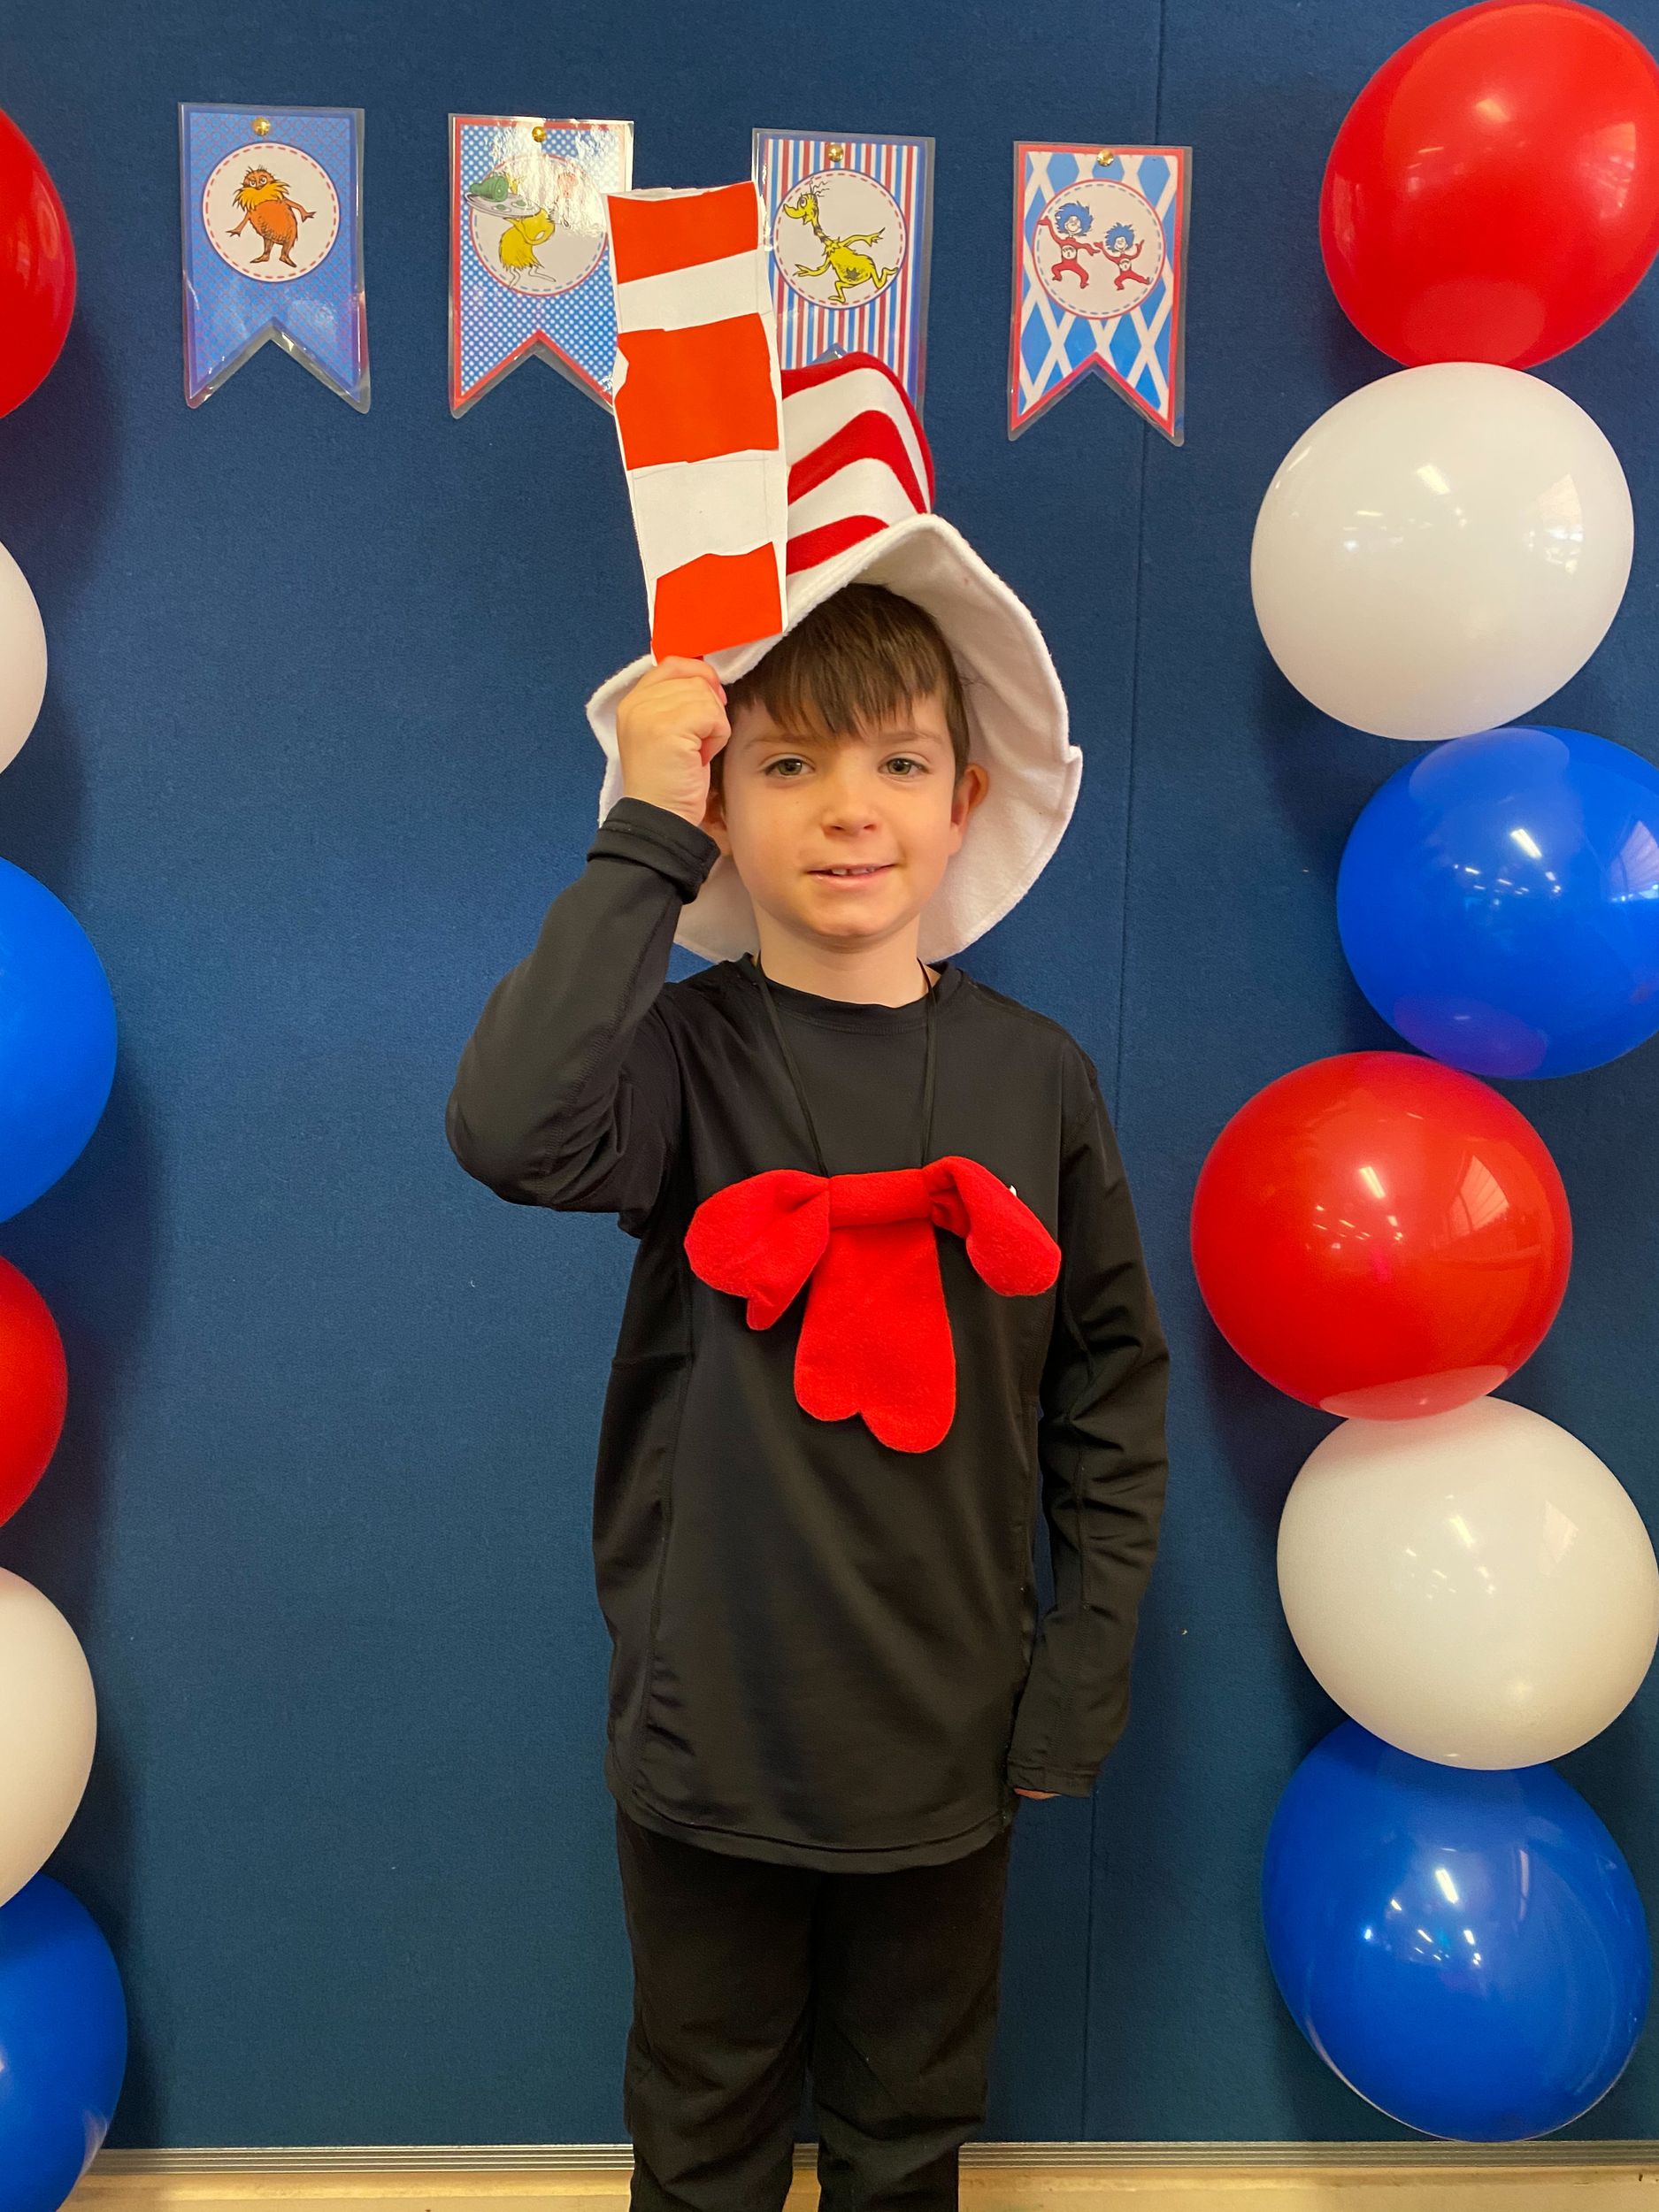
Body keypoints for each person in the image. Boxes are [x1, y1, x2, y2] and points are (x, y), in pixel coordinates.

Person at [445, 353, 1170, 2212]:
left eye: (896, 762)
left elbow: (1110, 1387)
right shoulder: (680, 1060)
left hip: (950, 1734)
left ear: (965, 796)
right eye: (787, 763)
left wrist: (1079, 1670)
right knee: (702, 2131)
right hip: (712, 1732)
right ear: (724, 803)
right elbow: (510, 1130)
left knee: (908, 2130)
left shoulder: (1036, 1078)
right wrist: (639, 826)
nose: (849, 808)